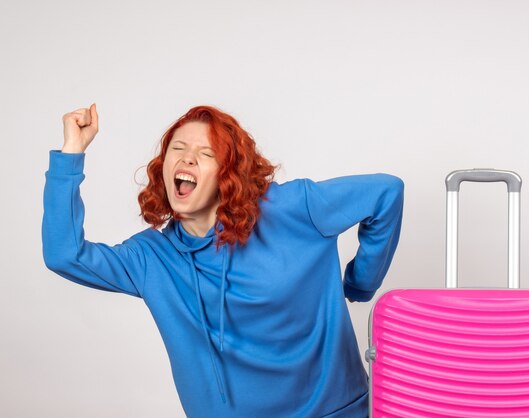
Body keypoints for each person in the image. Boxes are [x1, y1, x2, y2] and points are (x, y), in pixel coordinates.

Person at [42, 103, 404, 418]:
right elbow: (65, 255)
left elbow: (386, 192)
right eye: (178, 149)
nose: (187, 158)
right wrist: (71, 154)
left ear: (229, 172)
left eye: (207, 153)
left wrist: (359, 283)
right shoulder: (151, 258)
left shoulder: (291, 208)